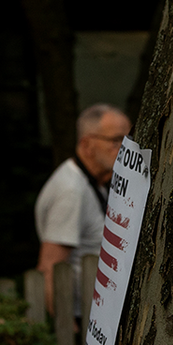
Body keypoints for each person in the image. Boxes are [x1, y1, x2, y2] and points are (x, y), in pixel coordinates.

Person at [35, 104, 132, 316]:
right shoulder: (71, 190)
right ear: (87, 144)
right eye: (116, 140)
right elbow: (50, 267)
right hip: (81, 318)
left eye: (127, 140)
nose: (124, 149)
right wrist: (67, 327)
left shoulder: (92, 183)